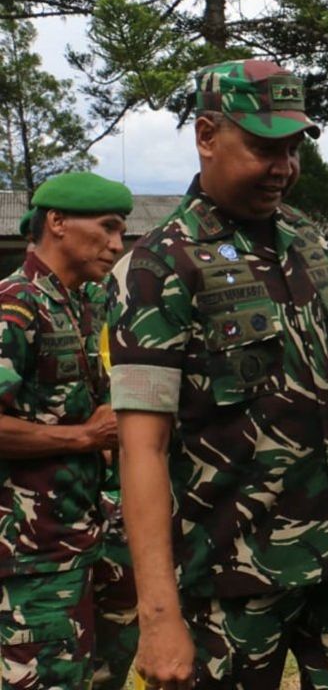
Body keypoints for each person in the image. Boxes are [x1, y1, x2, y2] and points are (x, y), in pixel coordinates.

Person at [107, 59, 328, 689]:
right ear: (207, 136)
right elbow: (142, 447)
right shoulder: (160, 265)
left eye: (293, 149)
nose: (284, 168)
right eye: (265, 148)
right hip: (227, 572)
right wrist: (157, 616)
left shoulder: (304, 240)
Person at [0, 172, 134, 689]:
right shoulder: (14, 307)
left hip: (95, 538)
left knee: (101, 673)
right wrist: (82, 437)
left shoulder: (87, 302)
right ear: (56, 222)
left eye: (122, 231)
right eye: (108, 227)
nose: (117, 244)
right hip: (34, 558)